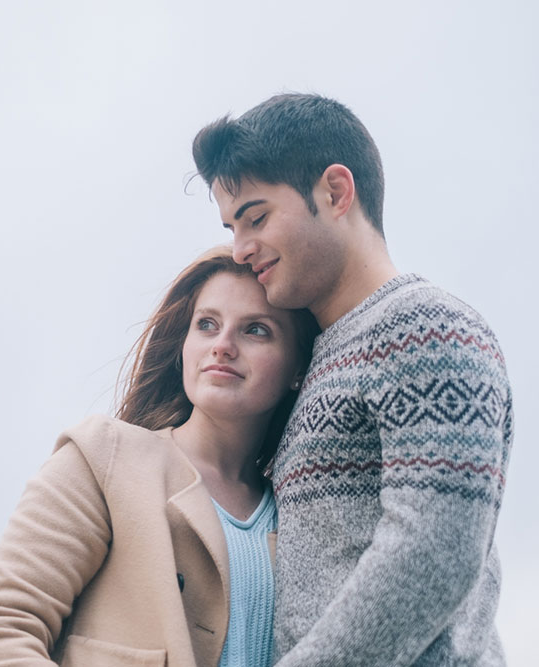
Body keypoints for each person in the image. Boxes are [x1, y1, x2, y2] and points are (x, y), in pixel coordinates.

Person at [191, 94, 513, 666]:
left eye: (256, 217)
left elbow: (434, 553)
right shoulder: (318, 361)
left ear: (335, 193)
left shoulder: (425, 326)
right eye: (230, 227)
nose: (240, 250)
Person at [0, 246, 319, 666]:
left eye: (255, 330)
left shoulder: (300, 514)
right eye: (206, 324)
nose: (222, 345)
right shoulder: (103, 457)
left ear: (298, 369)